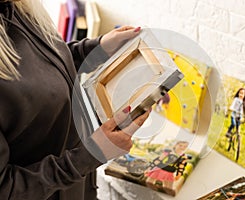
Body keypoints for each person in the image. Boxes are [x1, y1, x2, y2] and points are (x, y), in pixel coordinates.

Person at [0, 1, 150, 200]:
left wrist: (96, 50)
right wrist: (89, 156)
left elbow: (34, 69)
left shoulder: (15, 7)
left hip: (77, 188)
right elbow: (5, 190)